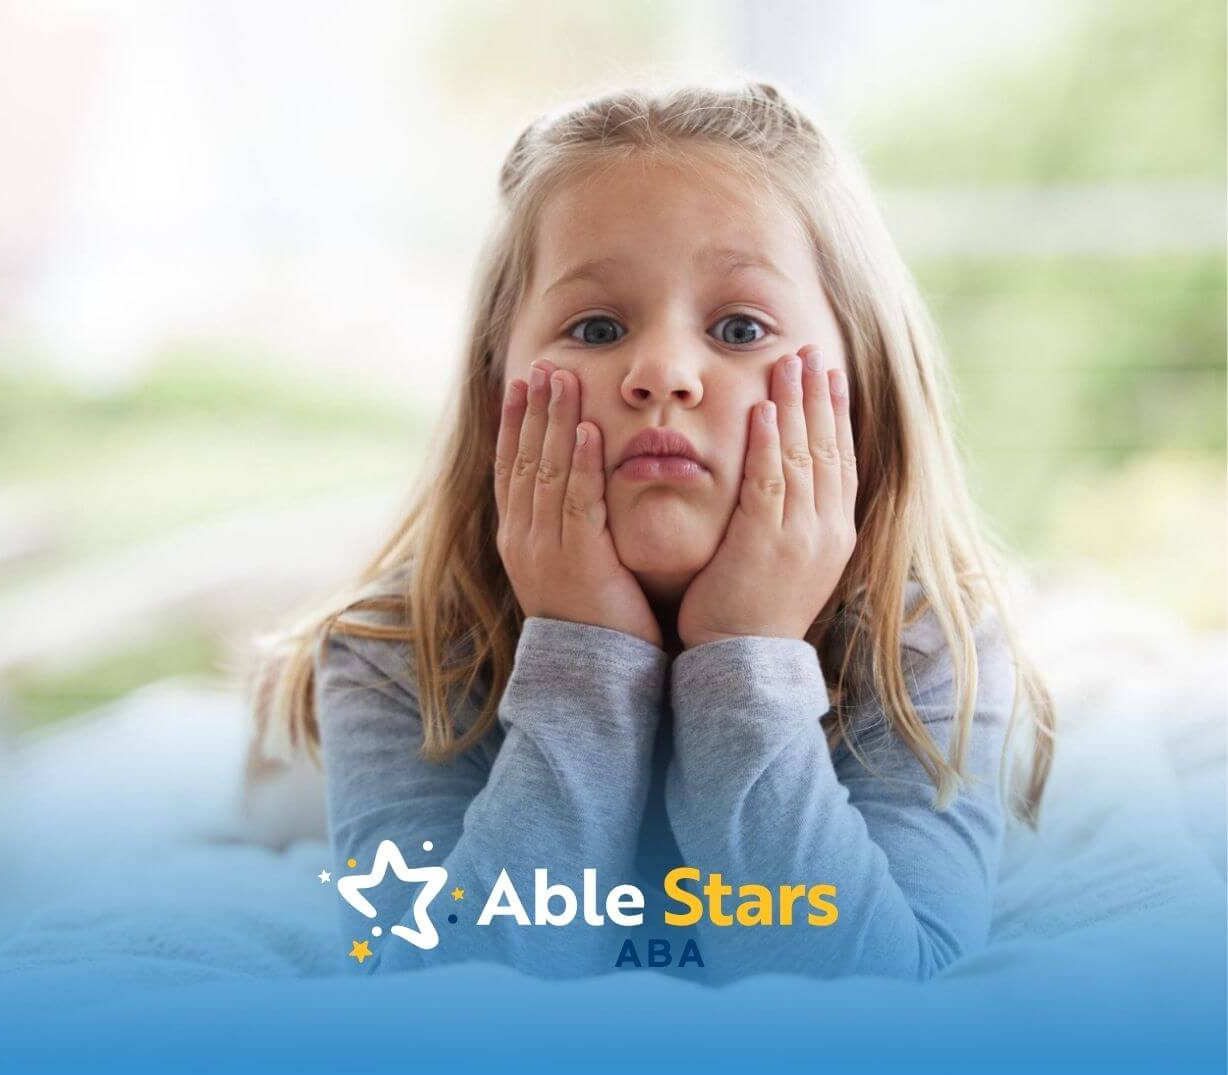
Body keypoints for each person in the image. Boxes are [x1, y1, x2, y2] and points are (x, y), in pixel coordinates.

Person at [249, 80, 1056, 986]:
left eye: (740, 327)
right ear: (493, 393)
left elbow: (874, 987)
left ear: (861, 390)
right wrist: (584, 660)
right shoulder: (391, 652)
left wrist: (744, 654)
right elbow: (434, 983)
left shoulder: (929, 645)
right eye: (595, 327)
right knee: (275, 786)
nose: (663, 371)